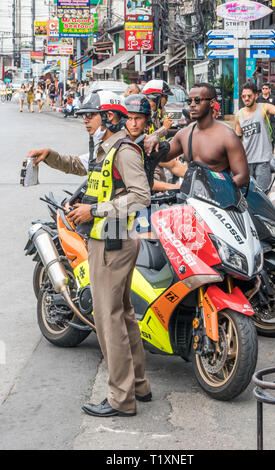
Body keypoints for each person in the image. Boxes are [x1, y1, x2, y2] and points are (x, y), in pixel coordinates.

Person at [27, 90, 151, 417]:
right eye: (84, 115)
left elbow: (141, 196)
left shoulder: (123, 151)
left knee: (107, 319)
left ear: (110, 117)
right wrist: (50, 155)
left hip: (113, 240)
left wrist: (94, 210)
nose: (85, 120)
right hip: (109, 238)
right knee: (122, 314)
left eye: (91, 115)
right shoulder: (104, 149)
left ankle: (121, 399)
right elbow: (76, 165)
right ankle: (138, 384)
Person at [144, 82, 249, 189]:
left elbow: (243, 176)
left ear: (212, 102)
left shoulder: (227, 136)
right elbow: (164, 157)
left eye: (197, 100)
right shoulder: (184, 134)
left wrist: (217, 190)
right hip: (193, 199)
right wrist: (153, 141)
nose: (192, 105)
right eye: (189, 101)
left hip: (220, 202)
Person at [235, 82, 275, 191]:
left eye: (249, 96)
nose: (246, 98)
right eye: (243, 96)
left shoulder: (264, 108)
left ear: (256, 96)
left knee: (263, 194)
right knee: (247, 194)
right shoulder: (239, 115)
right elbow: (237, 139)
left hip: (263, 161)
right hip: (246, 162)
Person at [124, 93, 186, 193]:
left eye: (138, 118)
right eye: (129, 118)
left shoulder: (148, 142)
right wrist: (174, 187)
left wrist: (197, 179)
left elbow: (174, 165)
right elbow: (140, 182)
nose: (133, 124)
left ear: (147, 119)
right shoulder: (120, 143)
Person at [256, 83, 275, 151]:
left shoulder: (273, 98)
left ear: (269, 90)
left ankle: (271, 150)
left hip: (271, 120)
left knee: (272, 136)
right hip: (261, 120)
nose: (264, 90)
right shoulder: (258, 98)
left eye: (266, 88)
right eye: (263, 88)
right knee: (262, 136)